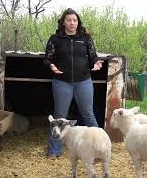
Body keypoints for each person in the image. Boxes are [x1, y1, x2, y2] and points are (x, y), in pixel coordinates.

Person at [43, 8, 103, 159]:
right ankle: (54, 151)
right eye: (69, 20)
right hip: (62, 82)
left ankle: (99, 148)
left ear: (78, 22)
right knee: (59, 117)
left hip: (83, 81)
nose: (72, 22)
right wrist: (51, 66)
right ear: (63, 22)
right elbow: (47, 58)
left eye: (74, 20)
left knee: (88, 114)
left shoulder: (85, 38)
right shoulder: (55, 39)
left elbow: (93, 57)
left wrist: (96, 64)